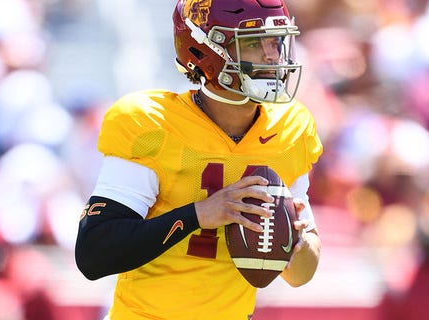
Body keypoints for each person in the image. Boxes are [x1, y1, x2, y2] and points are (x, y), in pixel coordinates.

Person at [75, 0, 323, 319]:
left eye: (275, 41)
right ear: (204, 51)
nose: (272, 56)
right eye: (252, 43)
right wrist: (199, 214)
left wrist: (294, 244)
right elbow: (94, 253)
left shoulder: (290, 129)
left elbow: (302, 275)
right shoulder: (153, 124)